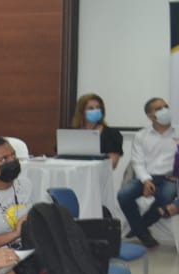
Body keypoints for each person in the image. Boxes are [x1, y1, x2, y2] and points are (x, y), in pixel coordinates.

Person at [117, 96, 177, 248]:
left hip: (169, 179)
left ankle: (139, 229)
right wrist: (145, 181)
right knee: (124, 195)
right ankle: (142, 231)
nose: (165, 111)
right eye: (159, 108)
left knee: (167, 196)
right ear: (150, 115)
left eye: (166, 106)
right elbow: (138, 162)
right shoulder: (141, 135)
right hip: (146, 177)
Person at [71, 93, 124, 169]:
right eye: (90, 108)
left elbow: (112, 164)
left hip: (99, 176)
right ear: (81, 111)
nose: (95, 111)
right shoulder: (71, 133)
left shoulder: (112, 134)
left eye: (98, 108)